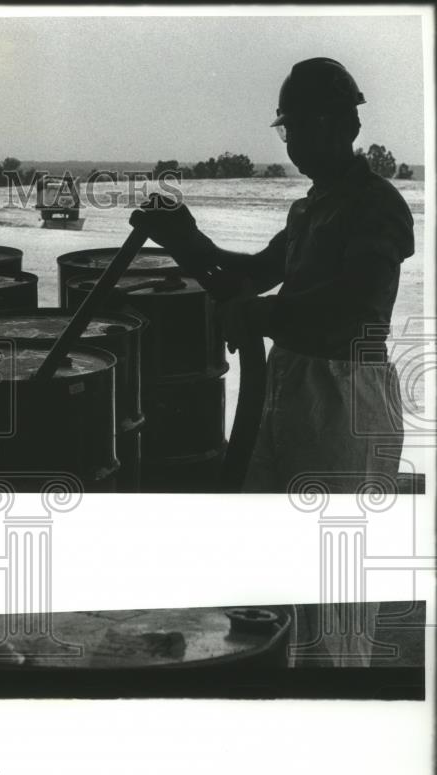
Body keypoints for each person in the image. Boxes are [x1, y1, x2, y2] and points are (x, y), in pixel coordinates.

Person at [130, 57, 414, 495]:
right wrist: (192, 244)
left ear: (345, 127)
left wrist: (257, 315)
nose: (292, 143)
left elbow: (358, 304)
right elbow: (259, 272)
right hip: (290, 382)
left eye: (301, 127)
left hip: (345, 393)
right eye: (287, 130)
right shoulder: (308, 208)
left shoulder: (376, 205)